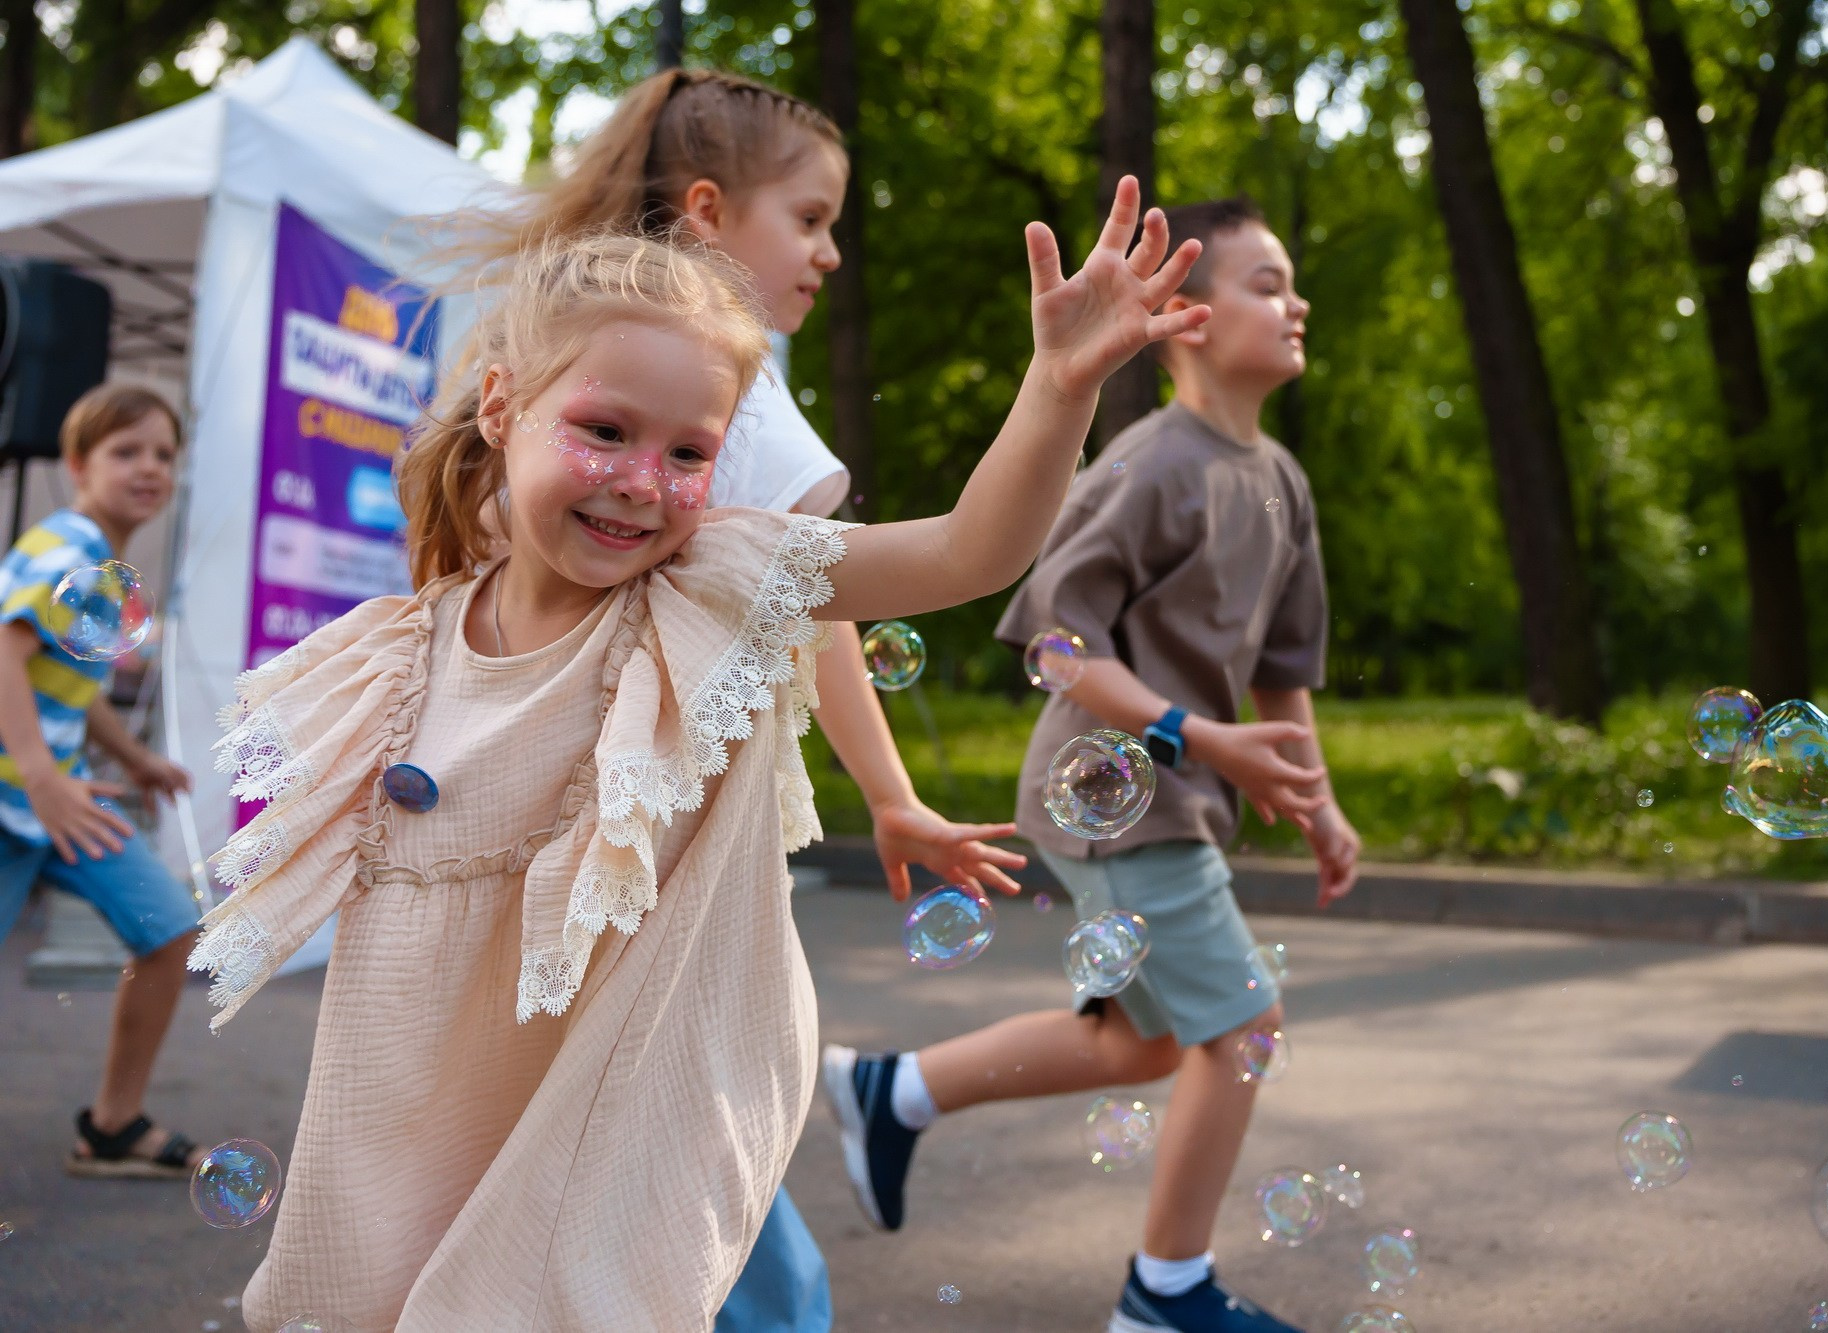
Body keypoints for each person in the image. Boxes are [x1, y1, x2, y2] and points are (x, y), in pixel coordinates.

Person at [190, 184, 1206, 1330]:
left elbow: (969, 551)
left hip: (619, 1117)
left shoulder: (717, 590)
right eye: (604, 430)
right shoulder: (400, 654)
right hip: (415, 1109)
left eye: (689, 451)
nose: (640, 481)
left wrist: (1059, 387)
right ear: (499, 405)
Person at [489, 67, 1031, 1332]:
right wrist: (892, 795)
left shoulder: (587, 354)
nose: (831, 254)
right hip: (658, 842)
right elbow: (829, 597)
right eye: (812, 219)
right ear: (708, 213)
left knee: (646, 1173)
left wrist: (889, 795)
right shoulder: (728, 381)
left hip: (600, 825)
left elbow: (789, 600)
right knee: (716, 1219)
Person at [823, 197, 1363, 1333]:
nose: (1294, 299)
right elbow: (1059, 644)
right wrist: (1194, 738)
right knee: (1243, 1027)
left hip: (1175, 796)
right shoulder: (1148, 463)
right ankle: (1163, 1295)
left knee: (1141, 1043)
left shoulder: (1285, 483)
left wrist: (1319, 805)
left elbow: (1280, 674)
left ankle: (892, 1090)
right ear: (1188, 317)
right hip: (1119, 803)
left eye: (1291, 279)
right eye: (1268, 281)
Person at [0, 383, 202, 1178]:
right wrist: (43, 779)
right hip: (22, 800)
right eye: (127, 451)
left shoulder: (106, 572)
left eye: (163, 454)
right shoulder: (65, 547)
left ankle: (112, 1125)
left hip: (62, 803)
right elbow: (5, 655)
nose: (149, 468)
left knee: (168, 927)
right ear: (79, 463)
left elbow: (66, 685)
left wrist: (135, 757)